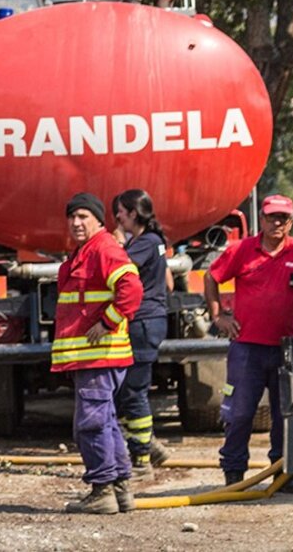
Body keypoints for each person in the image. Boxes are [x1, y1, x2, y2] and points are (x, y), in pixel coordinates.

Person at [204, 194, 293, 494]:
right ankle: (234, 474)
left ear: (291, 221)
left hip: (286, 349)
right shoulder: (244, 250)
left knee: (285, 415)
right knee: (240, 413)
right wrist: (218, 316)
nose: (277, 223)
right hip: (247, 349)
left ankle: (283, 474)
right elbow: (211, 275)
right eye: (272, 217)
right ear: (262, 219)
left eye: (283, 218)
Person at [55, 192, 144, 514]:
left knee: (90, 425)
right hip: (95, 356)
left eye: (83, 217)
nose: (76, 223)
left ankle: (102, 490)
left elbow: (131, 289)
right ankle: (120, 490)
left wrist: (108, 322)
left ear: (98, 220)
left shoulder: (103, 248)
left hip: (99, 355)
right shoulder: (88, 250)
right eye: (72, 217)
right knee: (105, 422)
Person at [111, 189, 173, 479]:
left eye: (120, 213)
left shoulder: (146, 242)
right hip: (145, 321)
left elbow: (118, 268)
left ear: (133, 214)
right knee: (124, 391)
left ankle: (142, 460)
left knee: (133, 392)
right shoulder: (151, 241)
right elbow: (169, 282)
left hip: (143, 322)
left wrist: (115, 244)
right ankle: (150, 445)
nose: (117, 218)